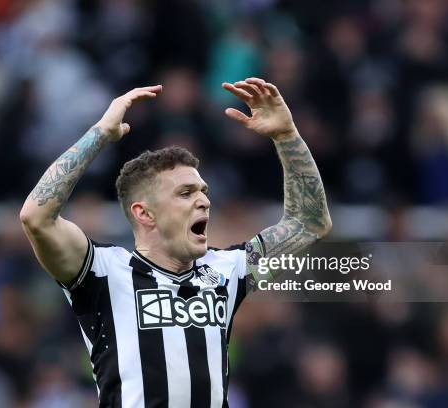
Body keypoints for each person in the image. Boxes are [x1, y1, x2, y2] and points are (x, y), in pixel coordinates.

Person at [20, 77, 332, 407]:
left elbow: (310, 222)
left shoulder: (227, 270)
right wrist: (99, 135)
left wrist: (286, 137)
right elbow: (36, 217)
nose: (204, 201)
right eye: (185, 193)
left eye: (203, 192)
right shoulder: (103, 272)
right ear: (145, 214)